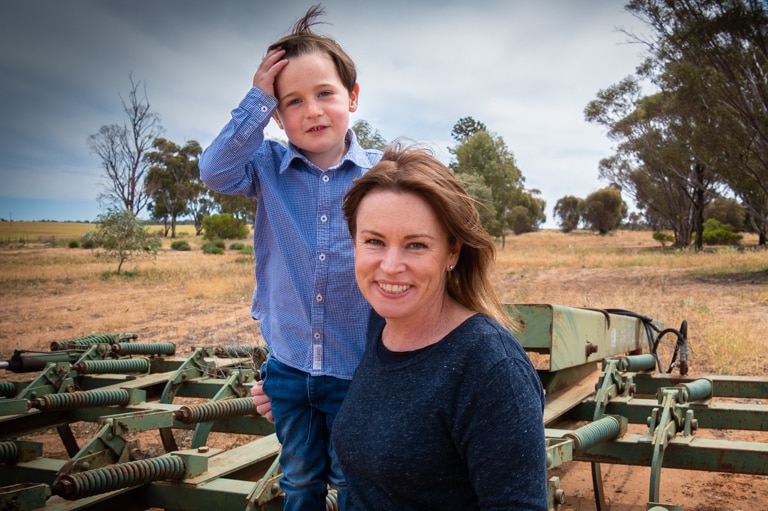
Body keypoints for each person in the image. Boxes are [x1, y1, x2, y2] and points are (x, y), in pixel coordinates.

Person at [198, 5, 381, 509]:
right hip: (291, 365)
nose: (313, 111)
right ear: (277, 116)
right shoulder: (266, 166)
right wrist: (256, 99)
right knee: (299, 480)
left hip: (359, 367)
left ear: (353, 97)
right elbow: (214, 171)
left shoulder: (382, 176)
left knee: (353, 482)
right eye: (292, 102)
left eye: (325, 93)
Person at [331, 144, 548, 510]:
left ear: (452, 252)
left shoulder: (490, 369)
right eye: (374, 241)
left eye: (416, 245)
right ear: (354, 243)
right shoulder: (379, 326)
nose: (390, 265)